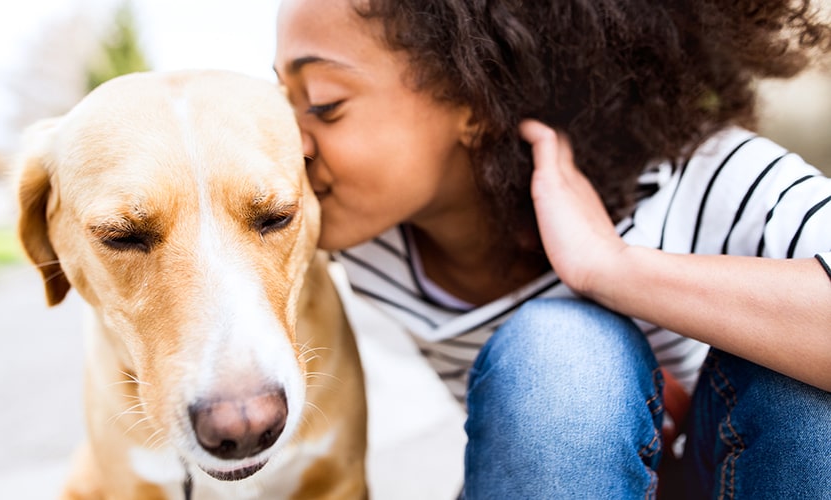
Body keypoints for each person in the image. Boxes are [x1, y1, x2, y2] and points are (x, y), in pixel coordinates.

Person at [273, 0, 831, 497]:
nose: (288, 140)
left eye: (323, 104)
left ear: (473, 99)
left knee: (796, 373)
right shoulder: (365, 238)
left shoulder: (713, 181)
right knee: (559, 349)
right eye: (282, 101)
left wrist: (612, 270)